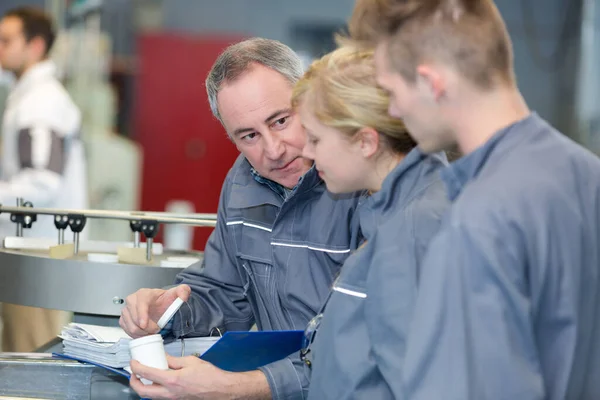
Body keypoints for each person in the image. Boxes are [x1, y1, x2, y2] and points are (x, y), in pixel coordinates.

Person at [348, 0, 600, 399]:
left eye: (391, 91)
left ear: (432, 83)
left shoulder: (477, 222)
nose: (392, 110)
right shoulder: (587, 172)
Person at [120, 38, 362, 400]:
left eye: (281, 121)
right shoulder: (242, 184)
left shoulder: (362, 184)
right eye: (249, 135)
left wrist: (241, 388)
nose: (273, 150)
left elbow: (365, 349)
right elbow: (224, 292)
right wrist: (169, 311)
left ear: (311, 99)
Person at [291, 46, 449, 399]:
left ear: (365, 141)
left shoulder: (414, 231)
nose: (306, 152)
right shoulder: (391, 214)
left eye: (315, 138)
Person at [0, 6, 87, 352]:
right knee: (16, 358)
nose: (0, 48)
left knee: (30, 360)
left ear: (35, 46)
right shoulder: (26, 96)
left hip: (37, 254)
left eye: (7, 41)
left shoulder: (41, 102)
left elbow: (42, 182)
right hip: (27, 251)